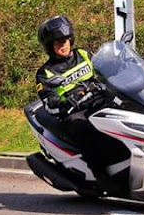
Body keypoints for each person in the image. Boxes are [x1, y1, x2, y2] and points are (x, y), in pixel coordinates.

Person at [35, 15, 112, 180]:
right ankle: (102, 176)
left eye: (64, 40)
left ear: (70, 39)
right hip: (74, 112)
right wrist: (68, 101)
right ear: (49, 46)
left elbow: (105, 68)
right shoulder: (45, 73)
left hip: (97, 100)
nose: (63, 45)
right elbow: (49, 103)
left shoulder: (84, 54)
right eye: (57, 42)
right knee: (84, 128)